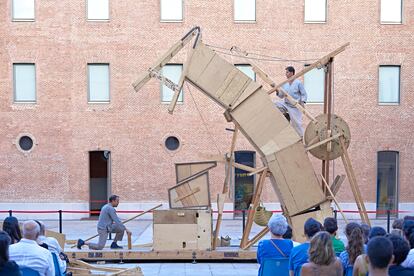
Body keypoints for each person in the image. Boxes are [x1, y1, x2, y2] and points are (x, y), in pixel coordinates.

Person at [274, 66, 307, 137]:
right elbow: (281, 95)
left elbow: (304, 94)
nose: (286, 74)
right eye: (285, 72)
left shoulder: (298, 83)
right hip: (286, 104)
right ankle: (285, 115)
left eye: (287, 72)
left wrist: (303, 102)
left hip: (295, 107)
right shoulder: (285, 83)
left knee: (297, 124)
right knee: (275, 104)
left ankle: (302, 138)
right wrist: (277, 91)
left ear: (292, 73)